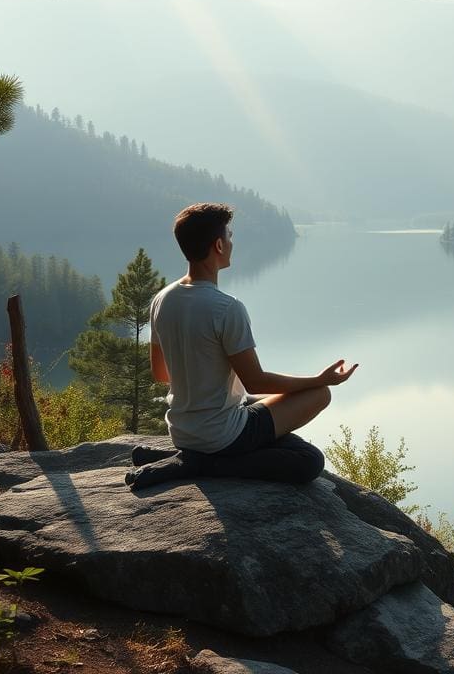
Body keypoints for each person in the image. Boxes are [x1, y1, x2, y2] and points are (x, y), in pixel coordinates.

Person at [125, 202, 357, 490]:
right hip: (222, 434)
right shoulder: (226, 308)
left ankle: (180, 454)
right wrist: (319, 379)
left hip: (182, 429)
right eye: (230, 237)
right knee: (311, 439)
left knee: (268, 410)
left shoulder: (162, 299)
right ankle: (200, 463)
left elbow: (161, 374)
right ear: (219, 245)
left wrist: (203, 382)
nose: (233, 243)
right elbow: (254, 379)